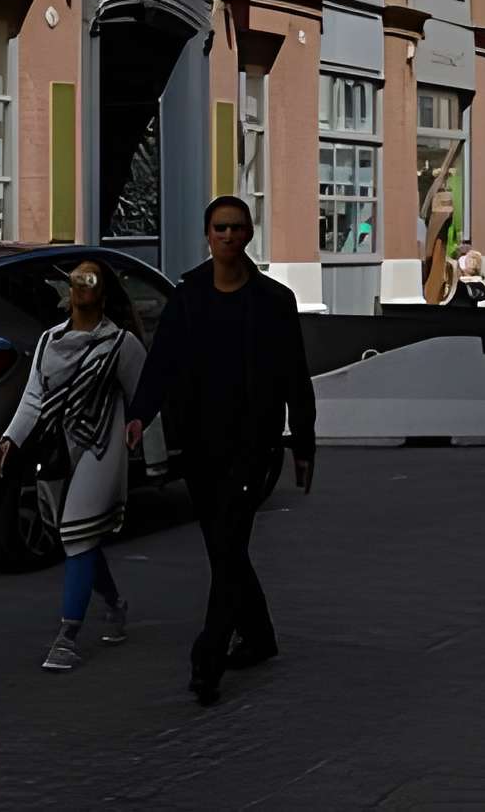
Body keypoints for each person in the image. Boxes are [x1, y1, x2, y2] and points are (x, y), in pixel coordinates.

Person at [126, 195, 314, 706]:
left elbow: (295, 375)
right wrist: (139, 415)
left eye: (236, 227)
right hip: (201, 444)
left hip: (253, 446)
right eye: (219, 228)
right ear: (207, 236)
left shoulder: (273, 301)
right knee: (223, 549)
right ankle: (260, 635)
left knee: (228, 549)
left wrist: (303, 442)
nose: (228, 236)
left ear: (249, 234)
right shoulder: (188, 297)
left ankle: (207, 661)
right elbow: (162, 361)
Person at [0, 258, 145, 672]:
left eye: (90, 278)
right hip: (58, 448)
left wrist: (151, 451)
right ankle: (114, 602)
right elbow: (34, 397)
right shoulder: (49, 341)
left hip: (101, 448)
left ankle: (67, 636)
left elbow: (145, 399)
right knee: (78, 537)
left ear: (103, 291)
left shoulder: (121, 344)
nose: (81, 284)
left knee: (77, 532)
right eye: (76, 279)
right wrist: (11, 437)